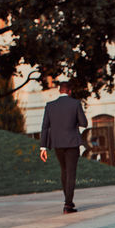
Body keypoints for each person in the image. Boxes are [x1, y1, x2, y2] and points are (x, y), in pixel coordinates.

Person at [39, 79, 88, 213]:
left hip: (57, 143)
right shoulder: (75, 104)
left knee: (64, 170)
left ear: (59, 90)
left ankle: (68, 201)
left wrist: (43, 147)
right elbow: (84, 123)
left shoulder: (50, 106)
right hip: (72, 142)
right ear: (70, 91)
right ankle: (68, 204)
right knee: (71, 172)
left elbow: (44, 127)